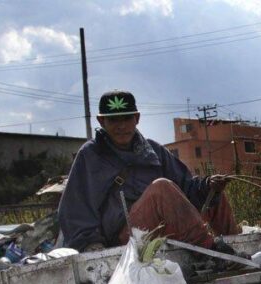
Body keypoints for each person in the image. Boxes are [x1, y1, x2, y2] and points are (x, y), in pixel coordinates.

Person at [58, 89, 241, 253]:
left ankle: (239, 248)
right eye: (113, 119)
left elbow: (187, 187)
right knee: (161, 188)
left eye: (126, 118)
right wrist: (92, 245)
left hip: (162, 227)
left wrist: (207, 185)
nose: (121, 125)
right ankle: (210, 252)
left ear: (136, 118)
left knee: (214, 193)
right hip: (124, 237)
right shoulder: (90, 155)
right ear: (101, 121)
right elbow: (75, 209)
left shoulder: (153, 151)